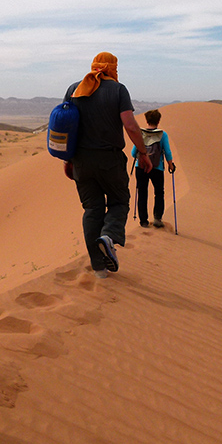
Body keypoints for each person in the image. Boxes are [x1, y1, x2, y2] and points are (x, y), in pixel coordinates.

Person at [62, 52, 153, 278]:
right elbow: (130, 126)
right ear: (113, 67)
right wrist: (143, 153)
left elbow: (65, 127)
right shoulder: (118, 89)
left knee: (92, 209)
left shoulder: (75, 88)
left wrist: (67, 159)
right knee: (119, 201)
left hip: (81, 161)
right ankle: (109, 237)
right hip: (109, 160)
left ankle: (99, 268)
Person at [131, 109, 176, 228]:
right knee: (159, 193)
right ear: (158, 121)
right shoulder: (162, 135)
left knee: (142, 193)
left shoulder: (141, 134)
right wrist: (171, 165)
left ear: (147, 120)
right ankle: (157, 218)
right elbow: (167, 152)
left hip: (141, 167)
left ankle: (143, 221)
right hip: (157, 168)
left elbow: (133, 153)